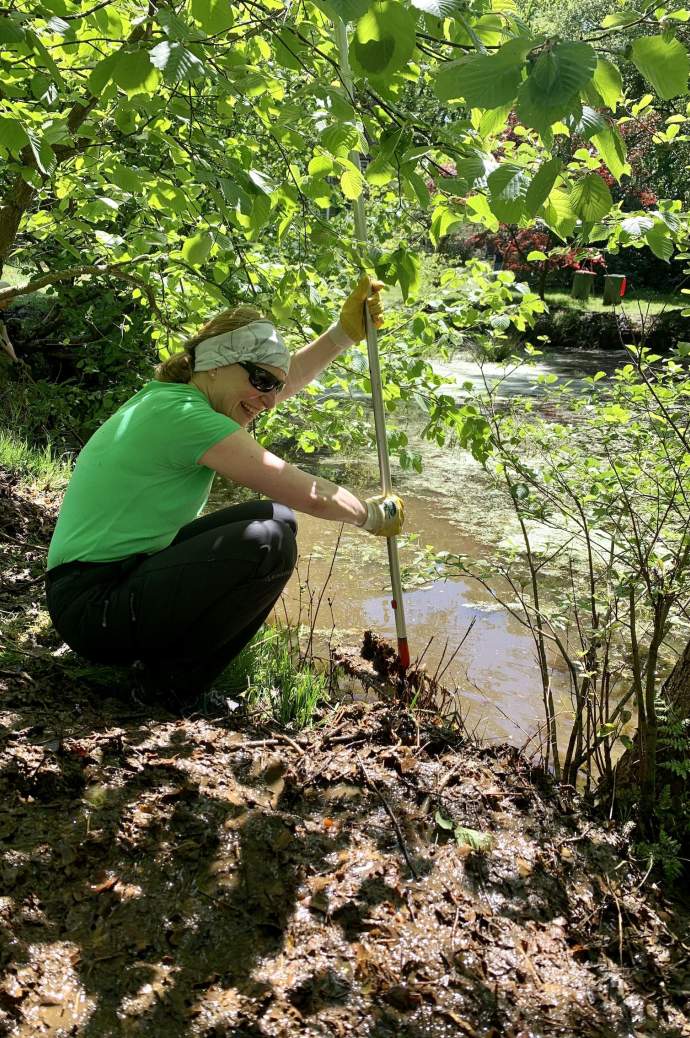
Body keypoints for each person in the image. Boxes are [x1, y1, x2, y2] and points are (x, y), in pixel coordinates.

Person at [45, 276, 405, 708]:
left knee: (277, 517)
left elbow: (276, 386)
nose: (270, 400)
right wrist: (371, 515)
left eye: (274, 385)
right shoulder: (185, 418)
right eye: (260, 381)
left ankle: (165, 668)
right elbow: (307, 493)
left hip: (106, 588)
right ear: (216, 364)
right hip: (93, 608)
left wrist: (343, 335)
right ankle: (168, 689)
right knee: (268, 543)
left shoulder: (177, 399)